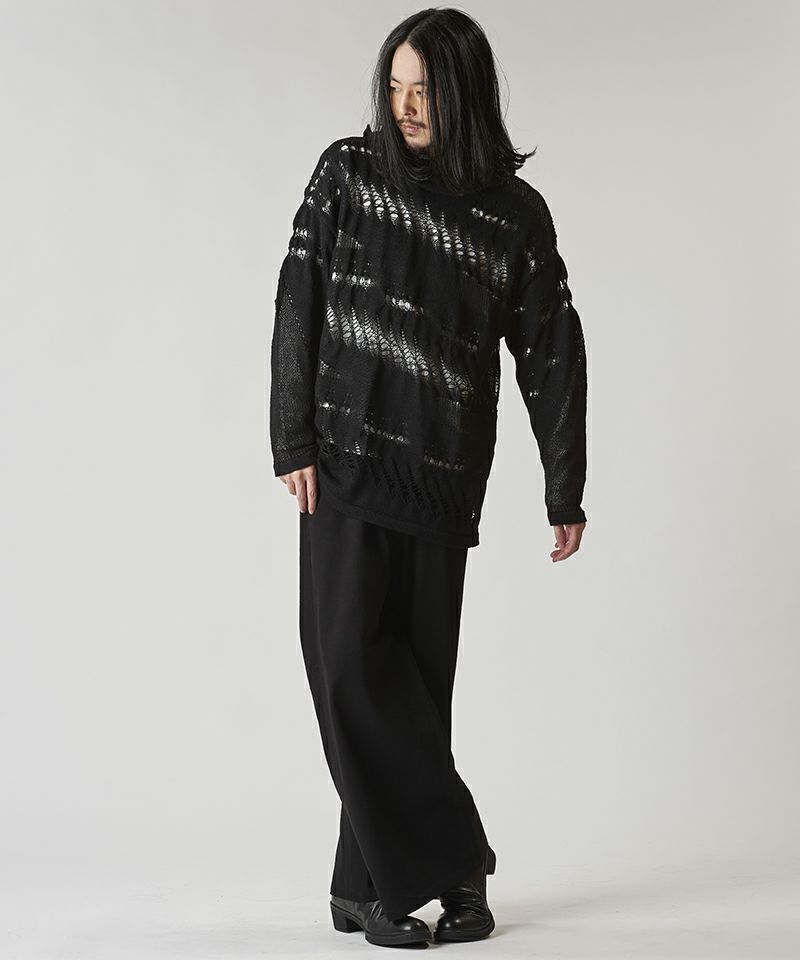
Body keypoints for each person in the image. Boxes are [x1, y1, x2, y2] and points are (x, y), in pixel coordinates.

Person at [269, 7, 588, 949]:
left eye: (425, 92)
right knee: (349, 676)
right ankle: (454, 866)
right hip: (344, 464)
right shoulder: (347, 173)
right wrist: (291, 436)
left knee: (413, 688)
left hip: (444, 478)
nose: (405, 107)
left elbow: (552, 352)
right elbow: (298, 298)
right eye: (396, 87)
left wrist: (563, 485)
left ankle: (361, 886)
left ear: (464, 97)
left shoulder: (513, 216)